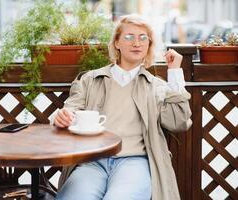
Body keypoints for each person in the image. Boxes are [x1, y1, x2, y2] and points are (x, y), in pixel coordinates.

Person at [52, 14, 192, 200]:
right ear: (117, 43)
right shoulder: (90, 80)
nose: (137, 43)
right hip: (92, 161)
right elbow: (71, 109)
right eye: (129, 36)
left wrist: (174, 73)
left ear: (149, 45)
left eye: (143, 38)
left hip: (135, 161)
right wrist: (62, 116)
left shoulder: (156, 87)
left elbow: (179, 122)